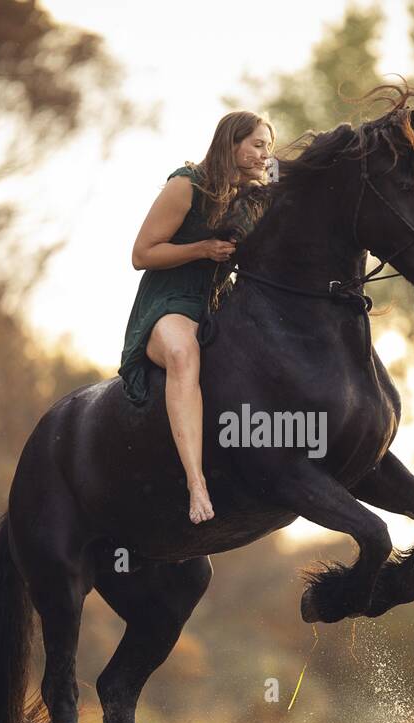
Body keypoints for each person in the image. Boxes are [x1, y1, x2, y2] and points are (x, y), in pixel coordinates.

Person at [119, 111, 275, 524]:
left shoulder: (255, 198)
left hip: (217, 308)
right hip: (167, 305)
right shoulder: (186, 184)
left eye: (268, 148)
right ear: (232, 143)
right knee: (184, 356)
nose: (265, 155)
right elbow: (141, 255)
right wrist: (201, 249)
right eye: (258, 145)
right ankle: (196, 483)